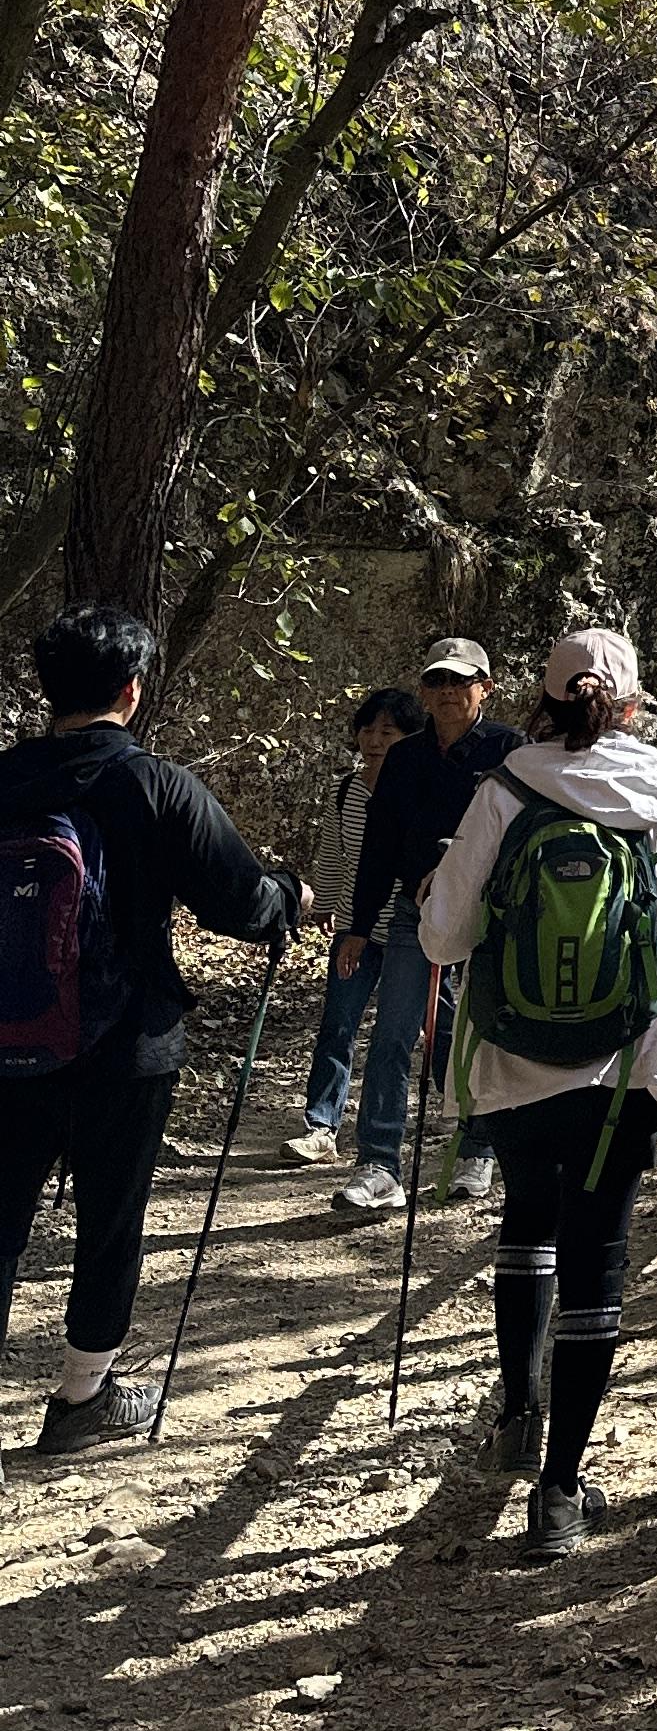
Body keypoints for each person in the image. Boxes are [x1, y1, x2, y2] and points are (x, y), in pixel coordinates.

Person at [419, 625, 657, 1560]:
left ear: (542, 699)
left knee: (528, 1218)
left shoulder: (505, 788)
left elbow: (442, 941)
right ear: (632, 704)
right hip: (629, 1062)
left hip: (514, 1059)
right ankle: (559, 1492)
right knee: (599, 1248)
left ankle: (516, 1411)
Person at [0, 600, 308, 1463]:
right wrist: (291, 895)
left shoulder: (4, 779)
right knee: (110, 1220)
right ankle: (80, 1402)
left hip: (5, 1043)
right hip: (125, 1043)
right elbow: (243, 903)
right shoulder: (158, 785)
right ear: (133, 691)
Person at [330, 635, 513, 1219]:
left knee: (475, 1031)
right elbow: (379, 847)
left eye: (461, 682)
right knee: (394, 1033)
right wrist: (358, 926)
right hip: (417, 912)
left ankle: (477, 1146)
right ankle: (379, 1162)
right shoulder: (406, 757)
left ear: (485, 687)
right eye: (437, 682)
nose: (448, 694)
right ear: (424, 692)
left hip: (494, 915)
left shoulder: (512, 751)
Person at [280, 685, 423, 1164]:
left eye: (389, 731)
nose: (375, 740)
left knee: (410, 1032)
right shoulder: (346, 790)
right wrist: (324, 906)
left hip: (410, 930)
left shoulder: (418, 788)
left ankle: (457, 1123)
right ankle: (322, 1124)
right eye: (368, 729)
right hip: (353, 930)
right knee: (338, 1023)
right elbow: (334, 851)